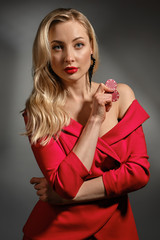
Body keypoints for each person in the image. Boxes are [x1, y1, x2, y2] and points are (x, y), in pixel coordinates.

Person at [22, 8, 150, 240]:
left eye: (78, 44)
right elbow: (66, 185)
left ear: (91, 47)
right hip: (56, 231)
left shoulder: (120, 95)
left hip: (117, 230)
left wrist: (65, 195)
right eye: (57, 46)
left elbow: (139, 173)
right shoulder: (39, 112)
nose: (69, 57)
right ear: (46, 54)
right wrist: (95, 119)